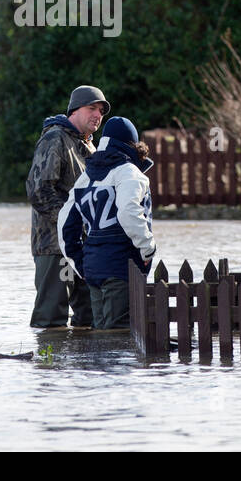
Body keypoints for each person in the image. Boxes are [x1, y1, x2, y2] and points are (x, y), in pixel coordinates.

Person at [57, 116, 155, 330]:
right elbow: (128, 212)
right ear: (132, 144)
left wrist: (79, 263)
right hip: (121, 266)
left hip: (92, 268)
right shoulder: (129, 173)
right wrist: (148, 248)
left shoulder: (85, 178)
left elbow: (65, 225)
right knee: (118, 336)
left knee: (101, 336)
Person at [26, 85, 108, 328]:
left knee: (91, 318)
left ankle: (80, 367)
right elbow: (38, 190)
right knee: (51, 319)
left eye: (101, 111)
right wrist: (69, 223)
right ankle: (48, 366)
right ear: (74, 110)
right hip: (53, 246)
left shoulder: (91, 146)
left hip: (83, 248)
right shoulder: (54, 138)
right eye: (91, 108)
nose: (97, 115)